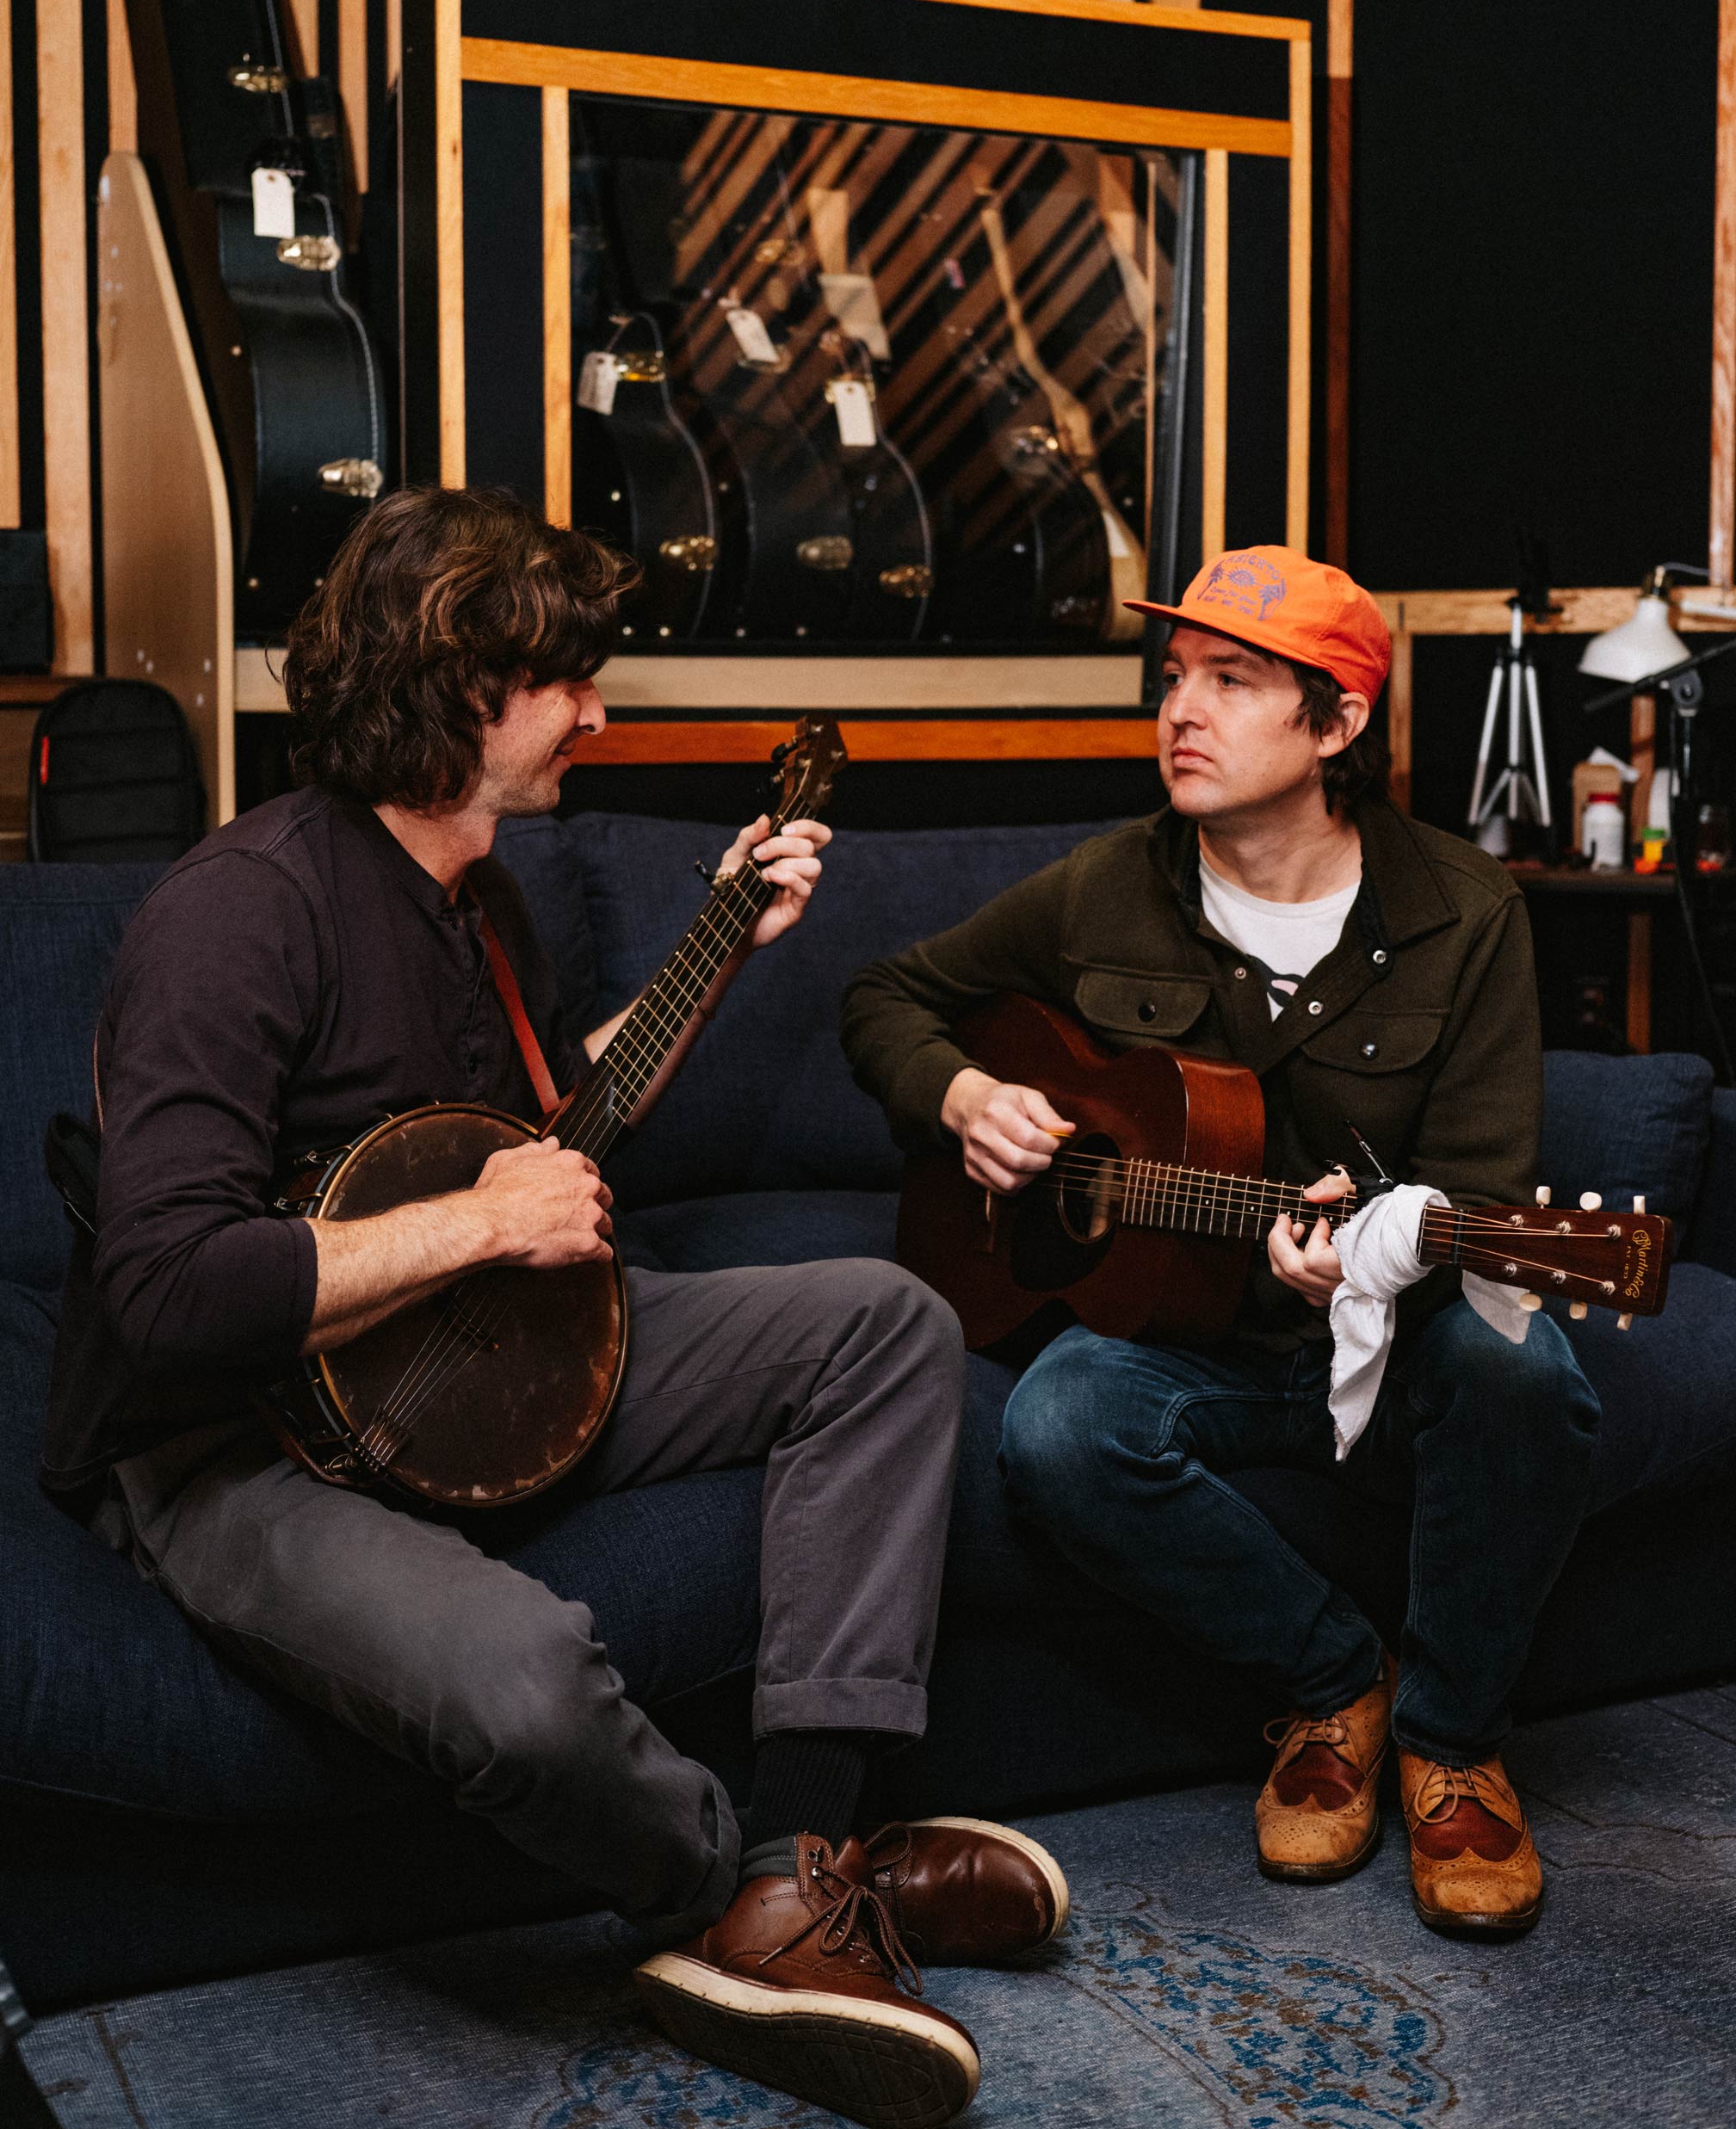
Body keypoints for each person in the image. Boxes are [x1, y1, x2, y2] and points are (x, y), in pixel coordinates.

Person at [41, 486, 1067, 2129]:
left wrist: (718, 937)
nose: (596, 711)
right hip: (237, 1437)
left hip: (482, 1360)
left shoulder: (474, 893)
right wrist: (481, 1219)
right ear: (464, 691)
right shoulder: (239, 913)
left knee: (881, 1323)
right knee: (518, 1683)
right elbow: (167, 1290)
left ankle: (811, 1852)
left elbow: (539, 1137)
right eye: (570, 682)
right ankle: (740, 1901)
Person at [842, 545, 1599, 1937]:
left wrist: (1372, 1254)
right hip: (1192, 1335)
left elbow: (1479, 1192)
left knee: (1528, 1369)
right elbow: (887, 996)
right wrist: (960, 1093)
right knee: (1056, 1426)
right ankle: (1329, 1689)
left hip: (1398, 1321)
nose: (1179, 712)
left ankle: (1447, 1742)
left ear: (1338, 722)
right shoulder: (1103, 888)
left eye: (1233, 682)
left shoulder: (1462, 910)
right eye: (1174, 678)